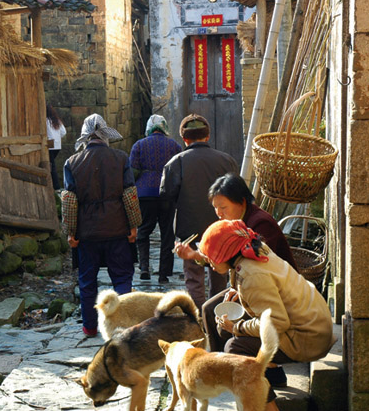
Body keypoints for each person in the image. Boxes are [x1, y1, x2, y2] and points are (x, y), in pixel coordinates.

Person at [197, 218, 334, 411]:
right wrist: (237, 290)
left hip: (307, 337)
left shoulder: (252, 275)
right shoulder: (253, 248)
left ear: (227, 253)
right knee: (211, 307)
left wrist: (237, 327)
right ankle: (271, 372)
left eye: (211, 258)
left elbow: (277, 323)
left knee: (236, 347)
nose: (209, 264)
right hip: (310, 322)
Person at [175, 173, 299, 355]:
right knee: (209, 309)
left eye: (223, 207)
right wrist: (194, 254)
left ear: (242, 202)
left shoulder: (260, 223)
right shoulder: (234, 223)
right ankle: (220, 363)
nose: (219, 213)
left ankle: (243, 365)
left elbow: (260, 267)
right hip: (249, 283)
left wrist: (237, 289)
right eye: (215, 207)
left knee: (226, 323)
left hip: (275, 290)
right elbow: (224, 259)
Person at [60, 113, 142, 337]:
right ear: (105, 134)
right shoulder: (120, 158)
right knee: (122, 278)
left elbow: (69, 201)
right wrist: (133, 226)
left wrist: (70, 232)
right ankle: (122, 326)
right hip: (118, 229)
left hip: (87, 233)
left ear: (85, 137)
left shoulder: (72, 162)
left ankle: (89, 327)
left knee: (87, 282)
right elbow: (129, 195)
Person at [159, 114, 239, 309]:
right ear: (207, 136)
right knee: (219, 274)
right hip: (221, 229)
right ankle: (217, 315)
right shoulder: (226, 161)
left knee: (194, 278)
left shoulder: (176, 163)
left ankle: (199, 318)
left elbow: (166, 196)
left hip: (189, 230)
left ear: (184, 139)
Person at [128, 115, 182, 283]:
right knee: (167, 233)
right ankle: (164, 274)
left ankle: (144, 267)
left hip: (145, 194)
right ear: (164, 128)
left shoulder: (139, 145)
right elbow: (180, 171)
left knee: (143, 231)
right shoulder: (174, 146)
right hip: (167, 194)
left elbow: (133, 172)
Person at [46, 104, 67, 190]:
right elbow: (63, 132)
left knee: (52, 166)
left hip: (49, 146)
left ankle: (56, 187)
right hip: (57, 146)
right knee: (51, 164)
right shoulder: (56, 121)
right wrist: (57, 138)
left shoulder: (45, 121)